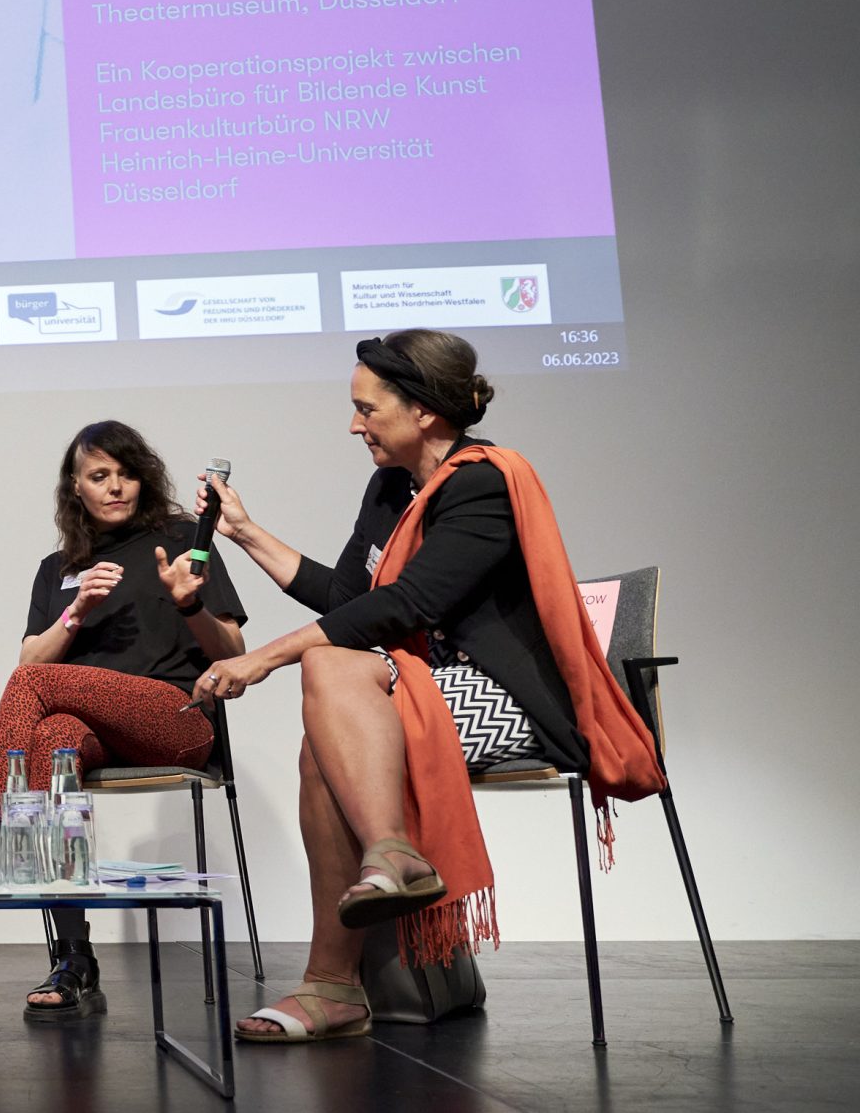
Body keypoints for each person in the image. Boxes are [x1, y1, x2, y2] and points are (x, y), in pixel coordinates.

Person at [193, 331, 666, 1041]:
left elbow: (407, 604)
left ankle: (334, 981)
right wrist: (246, 532)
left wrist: (263, 658)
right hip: (426, 684)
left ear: (424, 412)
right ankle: (391, 865)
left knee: (324, 719)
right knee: (330, 683)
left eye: (367, 409)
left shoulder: (484, 484)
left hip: (511, 696)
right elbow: (348, 598)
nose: (354, 426)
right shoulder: (391, 489)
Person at [0, 422, 247, 1020]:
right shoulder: (58, 568)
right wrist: (77, 609)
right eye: (100, 476)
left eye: (126, 474)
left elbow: (231, 649)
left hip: (176, 718)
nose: (116, 487)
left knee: (30, 687)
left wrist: (189, 603)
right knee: (51, 740)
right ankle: (73, 956)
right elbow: (34, 657)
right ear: (76, 487)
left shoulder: (180, 538)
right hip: (98, 735)